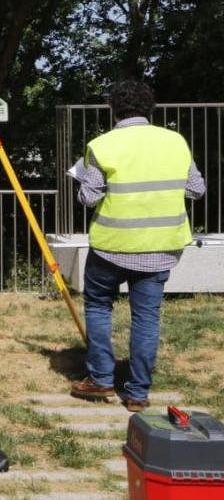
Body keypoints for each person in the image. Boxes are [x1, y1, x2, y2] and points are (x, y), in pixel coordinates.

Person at [69, 80, 205, 411]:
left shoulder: (102, 145)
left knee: (99, 305)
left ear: (113, 108)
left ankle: (101, 379)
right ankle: (137, 392)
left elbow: (88, 197)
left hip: (111, 247)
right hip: (160, 248)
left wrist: (81, 176)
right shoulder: (175, 142)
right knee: (147, 317)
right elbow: (196, 189)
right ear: (150, 109)